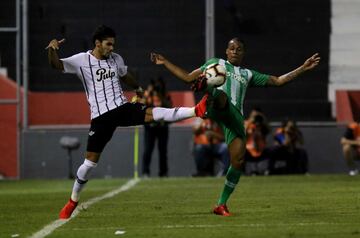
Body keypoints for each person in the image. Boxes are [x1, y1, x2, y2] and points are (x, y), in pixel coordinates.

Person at [150, 37, 320, 216]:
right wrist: (165, 62)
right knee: (222, 97)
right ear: (226, 51)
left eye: (239, 49)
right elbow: (187, 78)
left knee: (238, 161)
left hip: (235, 117)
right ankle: (208, 88)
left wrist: (303, 68)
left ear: (243, 53)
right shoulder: (215, 63)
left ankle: (221, 204)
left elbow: (278, 81)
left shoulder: (248, 74)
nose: (235, 51)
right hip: (216, 105)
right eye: (232, 48)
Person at [46, 25, 200, 219]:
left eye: (113, 44)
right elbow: (55, 65)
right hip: (100, 117)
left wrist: (138, 88)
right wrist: (52, 48)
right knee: (89, 164)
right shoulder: (81, 61)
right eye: (108, 44)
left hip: (122, 108)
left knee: (155, 114)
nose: (111, 48)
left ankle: (196, 110)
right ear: (97, 43)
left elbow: (124, 74)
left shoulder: (116, 59)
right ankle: (73, 200)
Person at [142, 77, 172, 177]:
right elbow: (141, 105)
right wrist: (149, 93)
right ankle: (145, 172)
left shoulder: (165, 96)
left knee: (163, 151)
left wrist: (161, 98)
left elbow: (170, 109)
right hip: (150, 128)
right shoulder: (148, 96)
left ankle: (163, 172)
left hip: (162, 127)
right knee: (148, 150)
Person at [244, 108, 270, 175]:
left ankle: (266, 170)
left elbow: (269, 130)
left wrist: (263, 118)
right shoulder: (247, 123)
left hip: (261, 147)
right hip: (249, 148)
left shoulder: (262, 125)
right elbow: (243, 133)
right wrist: (250, 121)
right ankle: (252, 171)